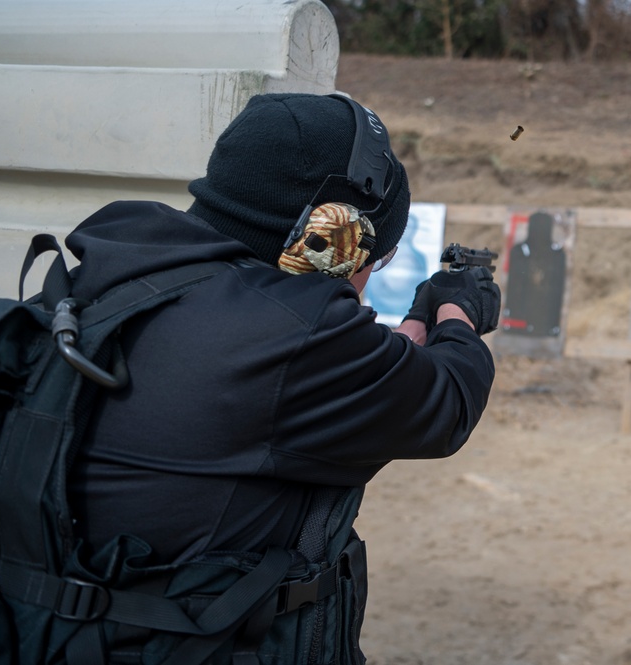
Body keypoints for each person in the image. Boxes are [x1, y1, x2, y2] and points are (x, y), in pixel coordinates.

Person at [58, 93, 498, 662]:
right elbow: (447, 402)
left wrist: (417, 319)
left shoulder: (115, 274)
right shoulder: (296, 341)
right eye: (375, 257)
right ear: (333, 239)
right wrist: (459, 312)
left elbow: (355, 374)